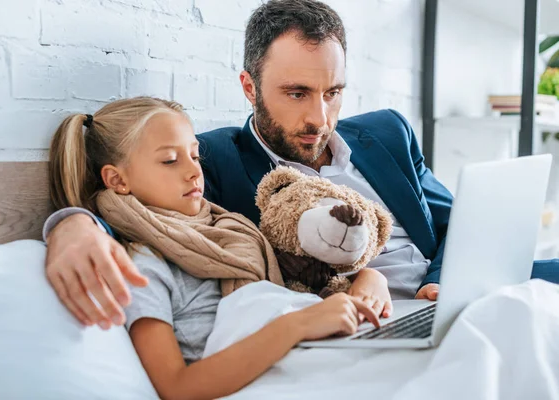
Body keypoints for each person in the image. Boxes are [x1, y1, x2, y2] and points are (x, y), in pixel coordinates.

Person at [43, 0, 559, 330]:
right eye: (296, 93)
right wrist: (72, 225)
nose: (319, 117)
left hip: (447, 298)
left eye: (332, 93)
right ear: (250, 87)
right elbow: (134, 194)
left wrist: (442, 282)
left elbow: (457, 222)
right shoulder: (215, 157)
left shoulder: (387, 132)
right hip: (371, 323)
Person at [48, 96, 383, 399]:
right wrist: (298, 325)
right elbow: (176, 387)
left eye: (194, 155)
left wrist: (369, 279)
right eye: (169, 160)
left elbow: (303, 280)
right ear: (118, 180)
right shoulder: (143, 268)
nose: (194, 171)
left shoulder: (228, 231)